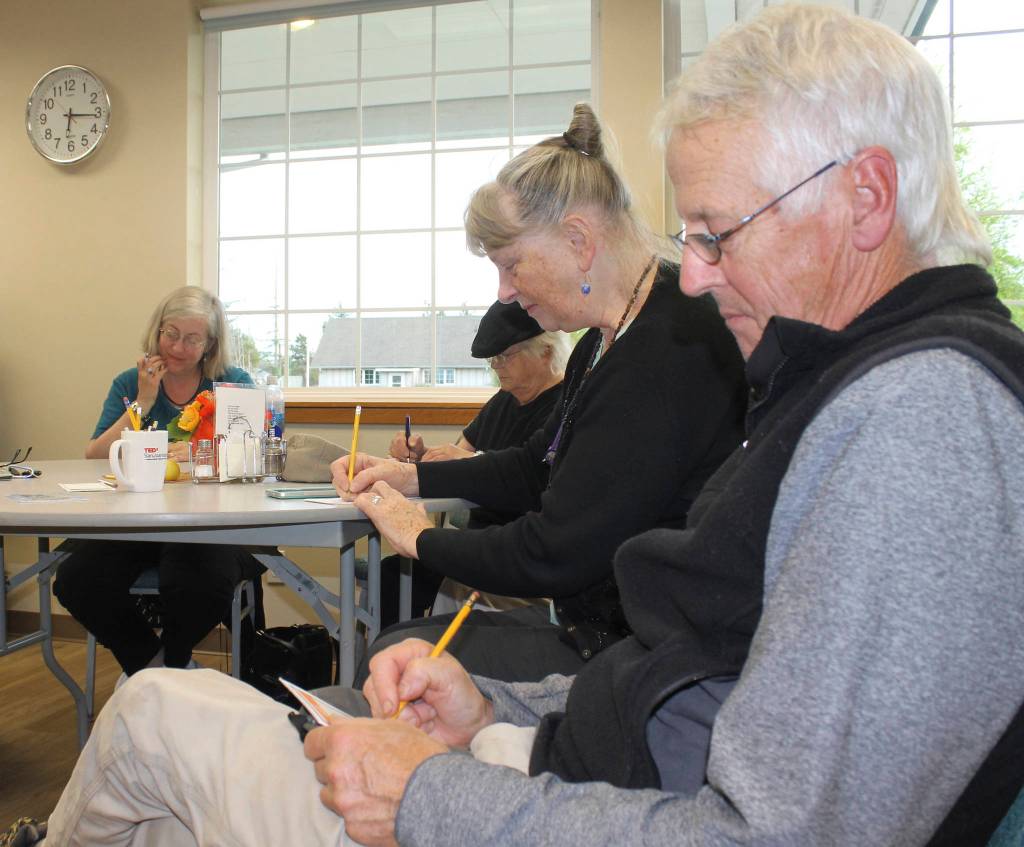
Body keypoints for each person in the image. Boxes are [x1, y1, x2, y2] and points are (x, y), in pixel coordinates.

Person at [13, 7, 1024, 847]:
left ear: (865, 196)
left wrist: (429, 792)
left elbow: (771, 829)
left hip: (559, 799)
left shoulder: (920, 421)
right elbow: (694, 682)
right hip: (568, 759)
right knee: (168, 779)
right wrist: (504, 708)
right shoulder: (848, 392)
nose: (696, 275)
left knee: (152, 717)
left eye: (717, 234)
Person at [340, 102, 748, 684]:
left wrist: (419, 536)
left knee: (394, 660)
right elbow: (539, 466)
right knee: (399, 647)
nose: (504, 293)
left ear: (578, 240)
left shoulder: (668, 349)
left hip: (650, 657)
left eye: (511, 266)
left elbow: (554, 551)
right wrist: (414, 477)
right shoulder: (604, 341)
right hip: (606, 629)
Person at [53, 286, 265, 678]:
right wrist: (144, 402)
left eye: (192, 339)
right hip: (135, 523)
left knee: (198, 581)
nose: (178, 347)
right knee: (76, 579)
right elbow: (95, 455)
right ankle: (157, 668)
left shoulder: (231, 384)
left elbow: (255, 455)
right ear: (157, 331)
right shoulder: (130, 383)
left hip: (208, 525)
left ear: (210, 344)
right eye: (171, 334)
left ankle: (171, 665)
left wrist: (199, 452)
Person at [378, 300, 569, 627]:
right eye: (493, 359)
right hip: (475, 541)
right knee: (393, 573)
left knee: (401, 575)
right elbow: (457, 459)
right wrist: (421, 456)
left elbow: (536, 478)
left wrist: (463, 461)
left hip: (513, 550)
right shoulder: (503, 401)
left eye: (505, 356)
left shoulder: (563, 408)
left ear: (546, 352)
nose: (496, 366)